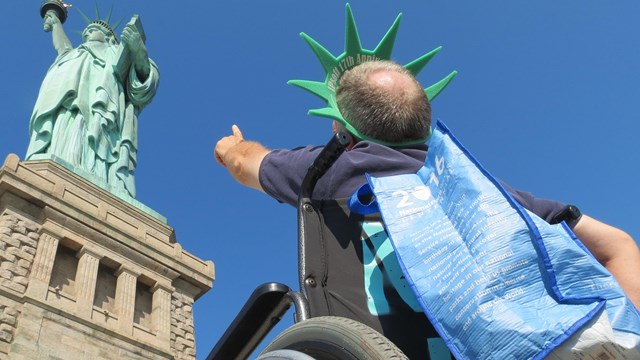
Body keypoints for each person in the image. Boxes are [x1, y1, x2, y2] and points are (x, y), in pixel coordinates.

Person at [215, 60, 640, 357]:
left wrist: (233, 146)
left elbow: (243, 164)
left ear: (341, 126)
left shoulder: (331, 170)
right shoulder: (495, 196)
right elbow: (617, 244)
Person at [27, 8, 160, 198]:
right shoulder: (75, 54)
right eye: (85, 31)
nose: (87, 32)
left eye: (93, 29)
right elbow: (62, 47)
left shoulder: (115, 54)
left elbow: (144, 83)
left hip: (103, 116)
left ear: (109, 37)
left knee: (95, 141)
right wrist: (56, 22)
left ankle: (98, 179)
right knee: (64, 137)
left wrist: (138, 50)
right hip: (67, 107)